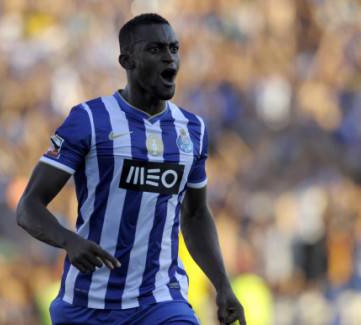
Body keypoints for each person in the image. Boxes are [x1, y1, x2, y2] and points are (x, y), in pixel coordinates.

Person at [16, 13, 245, 325]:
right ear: (127, 60)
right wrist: (69, 241)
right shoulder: (90, 120)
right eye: (155, 50)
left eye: (174, 49)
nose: (169, 58)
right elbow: (29, 205)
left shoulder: (192, 130)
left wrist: (222, 284)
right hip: (88, 303)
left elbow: (195, 214)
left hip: (160, 301)